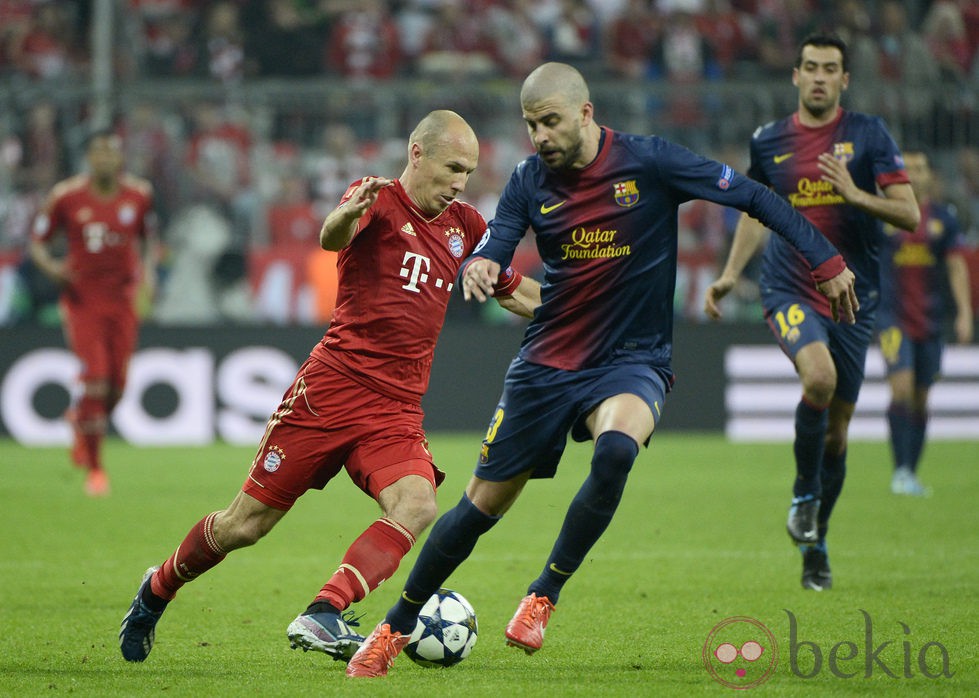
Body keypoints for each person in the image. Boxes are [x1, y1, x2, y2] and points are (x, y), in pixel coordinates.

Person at [344, 61, 858, 678]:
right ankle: (394, 626)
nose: (540, 137)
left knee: (616, 451)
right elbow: (499, 240)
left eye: (550, 122)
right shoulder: (529, 180)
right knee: (477, 510)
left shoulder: (650, 162)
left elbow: (751, 194)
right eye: (531, 125)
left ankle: (543, 594)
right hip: (548, 361)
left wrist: (825, 260)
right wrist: (484, 263)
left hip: (632, 359)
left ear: (586, 114)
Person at [118, 110, 540, 663]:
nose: (462, 181)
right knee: (244, 525)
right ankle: (156, 590)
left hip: (395, 408)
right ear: (418, 155)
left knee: (417, 504)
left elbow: (515, 292)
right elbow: (330, 235)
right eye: (453, 167)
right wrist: (346, 213)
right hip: (330, 391)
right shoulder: (376, 199)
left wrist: (589, 312)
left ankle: (324, 612)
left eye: (470, 170)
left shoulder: (467, 226)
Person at [704, 34, 920, 591]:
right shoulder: (769, 141)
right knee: (818, 378)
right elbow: (755, 210)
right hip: (789, 287)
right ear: (795, 75)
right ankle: (804, 494)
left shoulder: (868, 135)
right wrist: (731, 273)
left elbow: (910, 214)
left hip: (855, 297)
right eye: (811, 67)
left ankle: (815, 540)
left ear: (845, 79)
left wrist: (856, 195)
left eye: (831, 69)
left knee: (838, 436)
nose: (820, 76)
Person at [29, 130, 158, 497]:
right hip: (83, 301)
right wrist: (52, 268)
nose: (104, 159)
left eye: (110, 152)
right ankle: (97, 469)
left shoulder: (139, 195)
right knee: (96, 379)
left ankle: (81, 421)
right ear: (89, 158)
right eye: (97, 152)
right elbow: (37, 241)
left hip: (122, 301)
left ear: (120, 159)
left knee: (117, 387)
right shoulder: (66, 196)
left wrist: (148, 278)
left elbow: (149, 239)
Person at [877, 151, 973, 496]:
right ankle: (899, 470)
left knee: (920, 399)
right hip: (892, 319)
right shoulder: (884, 214)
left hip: (930, 322)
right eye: (907, 168)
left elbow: (956, 266)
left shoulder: (943, 219)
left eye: (919, 168)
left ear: (930, 175)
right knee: (900, 389)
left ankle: (910, 473)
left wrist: (964, 312)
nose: (913, 175)